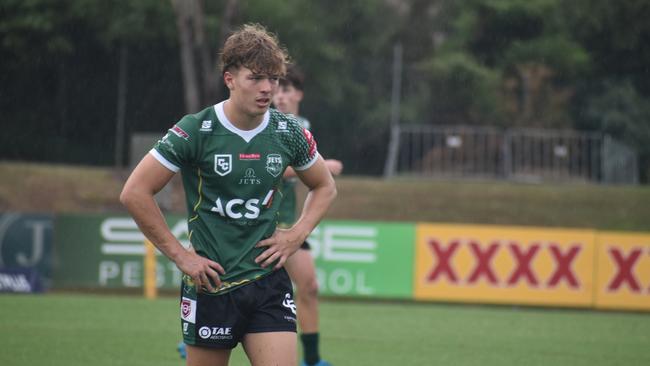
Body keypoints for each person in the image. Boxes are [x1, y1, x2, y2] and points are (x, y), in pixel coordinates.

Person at [120, 23, 337, 366]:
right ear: (230, 79)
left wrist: (297, 233)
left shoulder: (288, 130)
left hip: (268, 283)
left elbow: (325, 186)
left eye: (274, 79)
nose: (267, 88)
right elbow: (135, 192)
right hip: (212, 284)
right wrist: (180, 256)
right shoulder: (196, 130)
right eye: (256, 78)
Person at [275, 64, 342, 366]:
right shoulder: (267, 123)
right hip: (260, 222)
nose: (279, 96)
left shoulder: (301, 125)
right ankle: (196, 337)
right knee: (228, 283)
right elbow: (274, 168)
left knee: (309, 286)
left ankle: (312, 360)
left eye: (286, 90)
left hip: (288, 225)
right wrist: (324, 166)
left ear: (298, 94)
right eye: (276, 90)